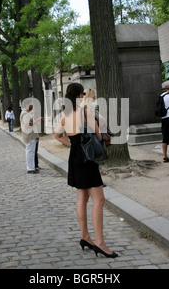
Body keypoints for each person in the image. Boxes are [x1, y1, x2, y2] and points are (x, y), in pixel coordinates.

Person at [54, 83, 118, 258]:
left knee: (82, 197)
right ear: (79, 95)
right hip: (87, 158)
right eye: (82, 93)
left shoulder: (64, 115)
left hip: (74, 156)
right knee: (99, 199)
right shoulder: (85, 113)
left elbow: (57, 135)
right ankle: (100, 243)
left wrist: (70, 144)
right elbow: (98, 136)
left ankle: (85, 237)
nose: (84, 95)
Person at [20, 103, 43, 174]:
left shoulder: (26, 113)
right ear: (26, 105)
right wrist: (37, 120)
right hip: (30, 135)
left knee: (31, 152)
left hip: (31, 135)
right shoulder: (25, 114)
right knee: (30, 152)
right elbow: (28, 125)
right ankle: (30, 168)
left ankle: (32, 167)